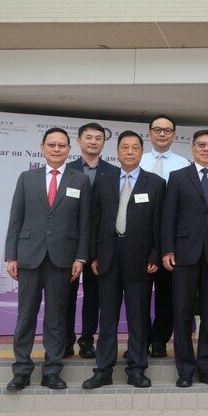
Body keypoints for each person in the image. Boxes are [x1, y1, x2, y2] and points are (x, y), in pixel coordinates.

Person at [5, 128, 90, 391]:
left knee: (56, 318)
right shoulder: (27, 178)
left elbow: (84, 223)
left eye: (61, 145)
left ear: (69, 149)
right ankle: (21, 370)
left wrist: (81, 257)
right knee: (26, 316)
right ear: (42, 147)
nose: (56, 149)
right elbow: (15, 219)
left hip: (62, 258)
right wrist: (11, 255)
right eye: (51, 145)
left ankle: (52, 370)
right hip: (29, 256)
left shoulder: (80, 180)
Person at [82, 131, 165, 390]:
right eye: (125, 147)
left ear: (142, 152)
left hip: (140, 258)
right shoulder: (104, 181)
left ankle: (137, 369)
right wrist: (93, 254)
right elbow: (94, 220)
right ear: (117, 152)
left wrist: (155, 255)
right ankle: (103, 369)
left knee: (138, 316)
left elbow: (160, 224)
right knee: (106, 316)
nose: (129, 152)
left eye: (135, 148)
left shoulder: (155, 183)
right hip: (107, 256)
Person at [162, 130, 208, 387]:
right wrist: (167, 249)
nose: (206, 149)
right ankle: (184, 369)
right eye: (201, 145)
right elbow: (168, 217)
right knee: (182, 311)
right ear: (193, 149)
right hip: (183, 253)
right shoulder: (177, 177)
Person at [64, 122, 119, 359]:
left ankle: (87, 340)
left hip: (100, 244)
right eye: (88, 137)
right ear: (78, 141)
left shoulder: (114, 172)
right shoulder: (66, 170)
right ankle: (65, 341)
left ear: (103, 143)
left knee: (94, 296)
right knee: (66, 295)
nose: (93, 141)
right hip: (71, 243)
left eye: (98, 138)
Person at [140, 114, 189, 358]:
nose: (162, 134)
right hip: (140, 238)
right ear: (149, 133)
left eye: (167, 130)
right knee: (138, 294)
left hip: (170, 239)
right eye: (157, 130)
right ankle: (139, 342)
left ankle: (159, 340)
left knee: (166, 294)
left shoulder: (183, 164)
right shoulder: (138, 161)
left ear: (174, 135)